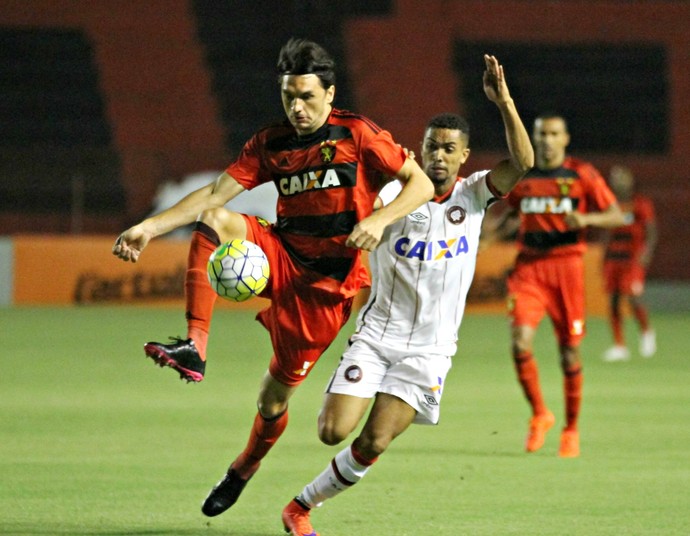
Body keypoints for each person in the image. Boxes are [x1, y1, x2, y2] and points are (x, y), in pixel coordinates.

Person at [112, 38, 434, 516]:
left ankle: (244, 467)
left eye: (306, 97)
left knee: (272, 399)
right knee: (215, 218)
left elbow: (422, 184)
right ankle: (195, 345)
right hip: (279, 254)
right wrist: (150, 227)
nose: (297, 108)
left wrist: (378, 221)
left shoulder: (359, 135)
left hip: (324, 292)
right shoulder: (270, 142)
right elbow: (215, 192)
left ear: (329, 93)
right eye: (289, 97)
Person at [281, 54, 534, 536]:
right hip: (377, 337)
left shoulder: (475, 195)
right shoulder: (386, 200)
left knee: (374, 441)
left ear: (463, 156)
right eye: (431, 147)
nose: (438, 156)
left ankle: (300, 508)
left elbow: (523, 163)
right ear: (417, 152)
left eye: (448, 149)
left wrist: (503, 101)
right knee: (331, 430)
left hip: (429, 351)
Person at [497, 113, 625, 458]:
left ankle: (571, 428)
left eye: (554, 134)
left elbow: (616, 216)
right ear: (534, 138)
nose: (547, 140)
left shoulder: (581, 174)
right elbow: (509, 213)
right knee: (519, 343)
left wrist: (586, 218)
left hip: (566, 271)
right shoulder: (523, 176)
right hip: (528, 270)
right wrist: (491, 233)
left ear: (565, 139)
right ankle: (540, 414)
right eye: (541, 134)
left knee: (569, 351)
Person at [601, 165, 657, 361]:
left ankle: (646, 332)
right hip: (614, 260)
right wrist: (604, 256)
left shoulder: (640, 204)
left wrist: (647, 252)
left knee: (633, 298)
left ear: (630, 180)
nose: (618, 182)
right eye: (615, 179)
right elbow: (606, 232)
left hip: (632, 260)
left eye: (621, 178)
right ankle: (619, 345)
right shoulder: (611, 204)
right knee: (614, 301)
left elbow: (651, 231)